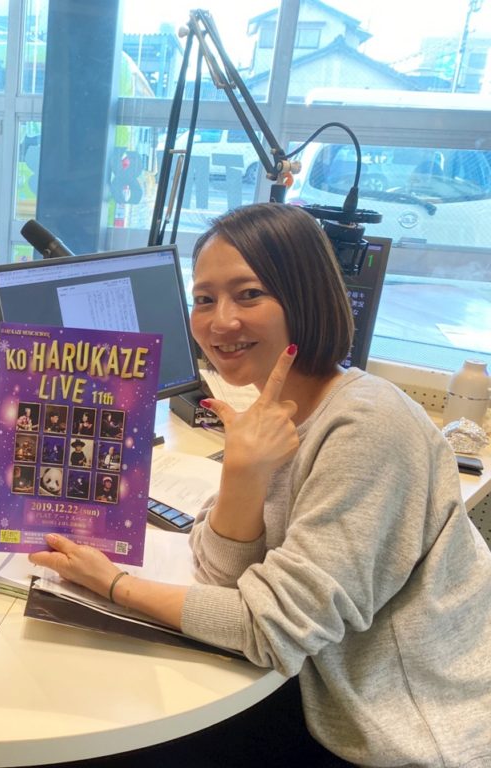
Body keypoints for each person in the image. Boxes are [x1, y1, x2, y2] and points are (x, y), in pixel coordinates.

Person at [30, 203, 491, 766]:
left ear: (304, 297)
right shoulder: (276, 413)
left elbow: (270, 628)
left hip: (403, 731)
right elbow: (224, 578)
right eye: (204, 299)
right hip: (322, 685)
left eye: (248, 294)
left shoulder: (368, 427)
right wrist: (243, 477)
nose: (220, 321)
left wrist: (113, 585)